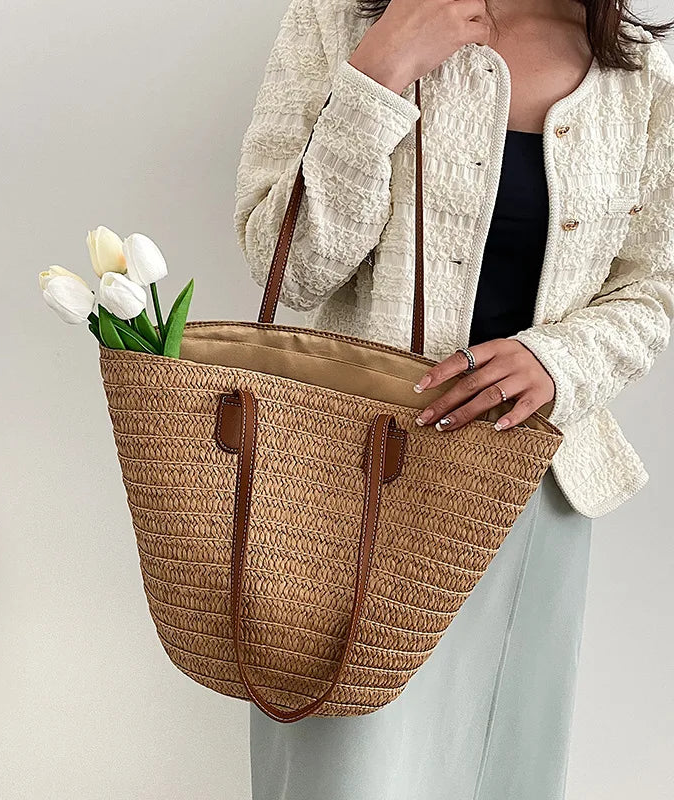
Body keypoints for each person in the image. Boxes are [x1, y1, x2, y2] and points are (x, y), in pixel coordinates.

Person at [233, 0, 674, 797]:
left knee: (501, 769)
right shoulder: (339, 19)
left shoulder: (640, 74)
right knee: (345, 773)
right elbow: (289, 271)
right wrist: (380, 72)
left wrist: (557, 361)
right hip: (349, 484)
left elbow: (653, 290)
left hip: (529, 494)